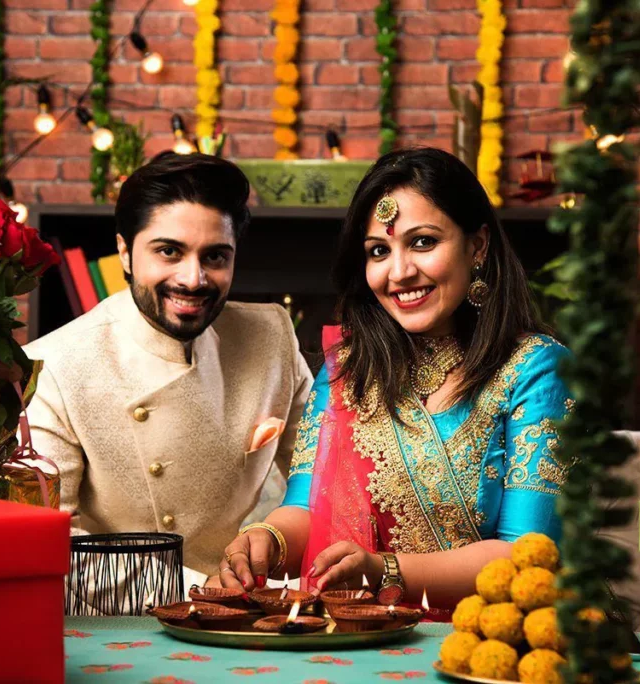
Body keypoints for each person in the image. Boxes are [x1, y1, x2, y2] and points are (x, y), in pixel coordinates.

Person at [219, 148, 574, 608]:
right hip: (368, 632)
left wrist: (383, 568)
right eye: (378, 251)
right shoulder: (350, 368)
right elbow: (308, 507)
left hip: (499, 642)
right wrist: (266, 540)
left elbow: (527, 556)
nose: (399, 272)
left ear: (478, 245)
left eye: (423, 242)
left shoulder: (535, 369)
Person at [25, 152, 313, 586]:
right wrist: (197, 589)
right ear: (124, 251)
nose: (193, 279)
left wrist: (274, 540)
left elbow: (323, 478)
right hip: (118, 616)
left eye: (215, 257)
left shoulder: (271, 336)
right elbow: (48, 543)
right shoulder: (53, 366)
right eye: (169, 252)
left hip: (242, 605)